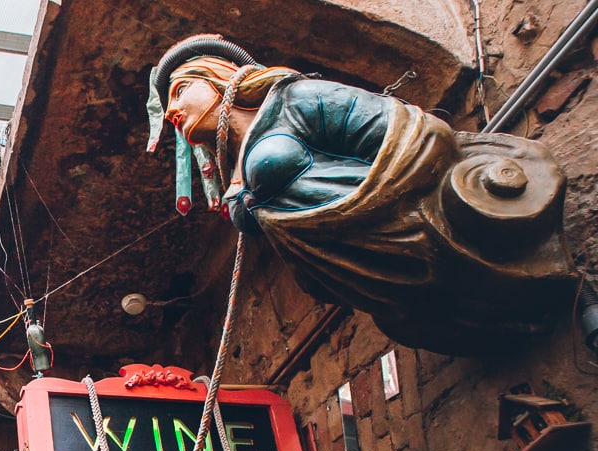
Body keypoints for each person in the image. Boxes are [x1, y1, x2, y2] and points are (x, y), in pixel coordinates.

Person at [146, 35, 575, 355]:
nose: (171, 112)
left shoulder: (296, 100)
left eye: (180, 92)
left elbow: (412, 135)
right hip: (371, 271)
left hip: (410, 224)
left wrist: (385, 202)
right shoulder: (234, 172)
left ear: (217, 77)